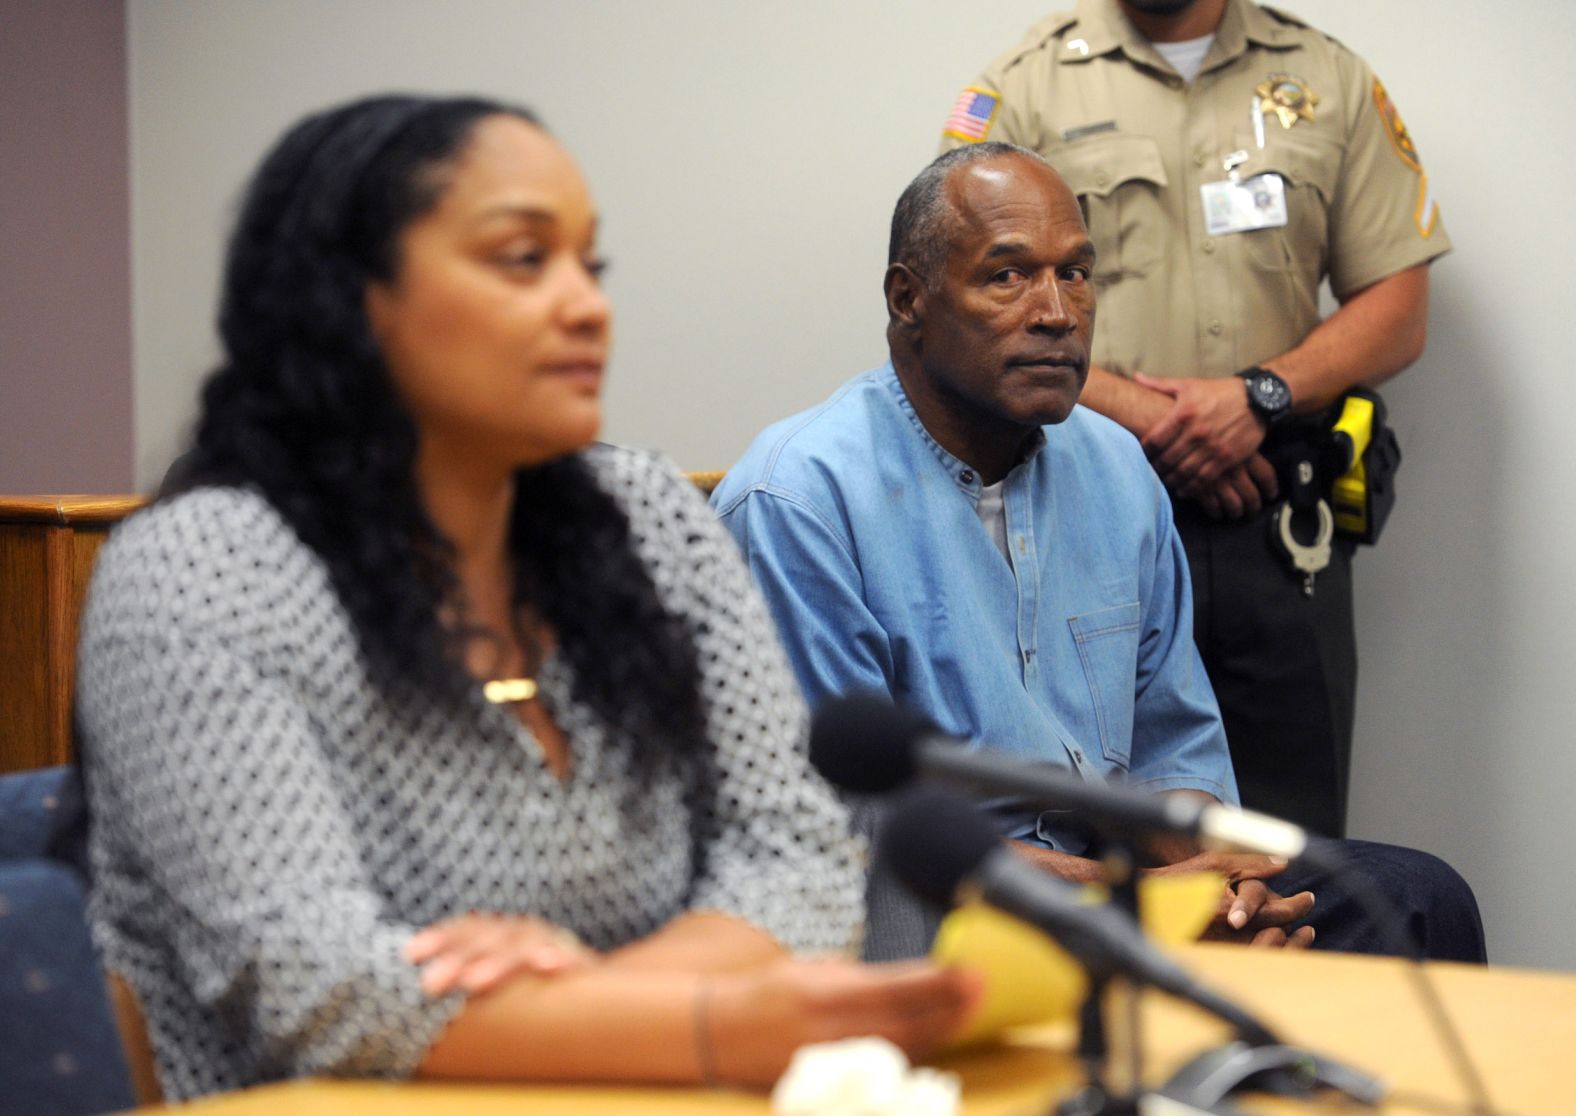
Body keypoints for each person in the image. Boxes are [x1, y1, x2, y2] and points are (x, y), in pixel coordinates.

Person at [76, 94, 977, 1102]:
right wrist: (708, 1025)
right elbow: (315, 989)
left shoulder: (647, 520)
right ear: (350, 298)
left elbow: (802, 863)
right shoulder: (200, 573)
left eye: (588, 267)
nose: (585, 305)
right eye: (521, 259)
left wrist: (592, 1002)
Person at [711, 144, 1482, 963]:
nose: (1056, 312)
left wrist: (1223, 893)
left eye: (1076, 274)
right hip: (935, 910)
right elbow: (851, 829)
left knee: (1416, 899)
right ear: (910, 298)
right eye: (1008, 276)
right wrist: (1133, 903)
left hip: (1120, 888)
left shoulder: (1118, 469)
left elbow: (1171, 748)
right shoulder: (799, 500)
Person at [937, 0, 1450, 838]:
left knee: (1291, 846)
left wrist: (1258, 397)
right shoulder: (1024, 88)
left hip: (1280, 525)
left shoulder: (1328, 77)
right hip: (1084, 519)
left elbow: (1398, 304)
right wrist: (1150, 420)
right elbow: (965, 309)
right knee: (1088, 828)